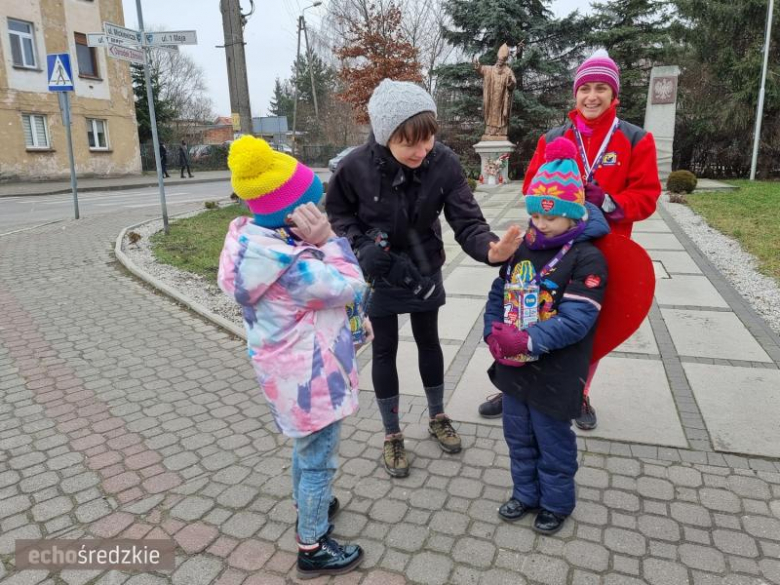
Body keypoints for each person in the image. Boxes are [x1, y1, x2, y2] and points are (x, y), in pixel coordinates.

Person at [326, 79, 522, 478]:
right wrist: (359, 244)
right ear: (384, 136)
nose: (421, 150)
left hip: (423, 264)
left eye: (428, 139)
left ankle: (437, 416)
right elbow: (338, 216)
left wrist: (490, 249)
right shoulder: (354, 166)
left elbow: (467, 220)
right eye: (409, 143)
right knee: (384, 351)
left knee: (429, 342)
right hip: (378, 270)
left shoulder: (444, 162)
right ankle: (392, 433)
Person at [478, 49, 661, 429]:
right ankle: (515, 384)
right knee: (527, 310)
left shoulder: (635, 138)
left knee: (583, 325)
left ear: (614, 96)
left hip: (602, 248)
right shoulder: (554, 136)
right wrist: (559, 200)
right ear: (575, 94)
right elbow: (531, 186)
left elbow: (647, 198)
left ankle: (577, 391)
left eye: (600, 89)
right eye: (585, 89)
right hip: (548, 245)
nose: (592, 96)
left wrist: (607, 202)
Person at [218, 135, 368, 579]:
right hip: (312, 379)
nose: (322, 211)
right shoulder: (296, 266)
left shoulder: (255, 244)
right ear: (295, 215)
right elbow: (353, 285)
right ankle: (313, 544)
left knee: (307, 449)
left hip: (286, 374)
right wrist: (329, 241)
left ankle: (309, 504)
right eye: (315, 205)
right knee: (320, 457)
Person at [484, 137, 609, 535]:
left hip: (555, 370)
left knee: (552, 440)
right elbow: (498, 293)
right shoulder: (524, 247)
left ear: (574, 217)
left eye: (551, 218)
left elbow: (578, 318)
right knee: (518, 435)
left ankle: (556, 503)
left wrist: (530, 340)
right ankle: (525, 494)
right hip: (514, 369)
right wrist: (492, 333)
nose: (541, 224)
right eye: (536, 215)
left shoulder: (587, 257)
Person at [473, 43, 517, 139]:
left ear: (504, 61)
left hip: (502, 98)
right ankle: (491, 130)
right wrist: (478, 66)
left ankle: (500, 131)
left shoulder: (508, 71)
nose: (500, 61)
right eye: (499, 59)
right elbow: (481, 69)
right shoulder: (490, 69)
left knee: (501, 114)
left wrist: (510, 82)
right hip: (492, 97)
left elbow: (513, 82)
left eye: (502, 60)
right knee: (491, 112)